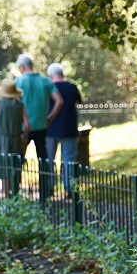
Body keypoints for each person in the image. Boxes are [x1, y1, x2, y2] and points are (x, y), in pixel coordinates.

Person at [15, 54, 64, 202]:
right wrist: (50, 118)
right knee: (43, 160)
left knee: (18, 160)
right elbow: (59, 101)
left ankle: (15, 194)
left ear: (22, 67)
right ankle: (45, 194)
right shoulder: (45, 81)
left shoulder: (18, 82)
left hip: (24, 128)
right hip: (42, 127)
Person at [0, 79, 30, 198]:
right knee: (14, 166)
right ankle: (15, 194)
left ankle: (6, 196)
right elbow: (27, 125)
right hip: (16, 139)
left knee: (4, 167)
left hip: (1, 140)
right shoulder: (20, 104)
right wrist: (24, 136)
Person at [45, 62, 82, 196]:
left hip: (50, 129)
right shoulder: (72, 87)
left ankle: (49, 188)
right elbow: (77, 102)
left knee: (49, 159)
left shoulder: (49, 87)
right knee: (69, 159)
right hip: (69, 128)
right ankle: (70, 189)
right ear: (62, 74)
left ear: (51, 76)